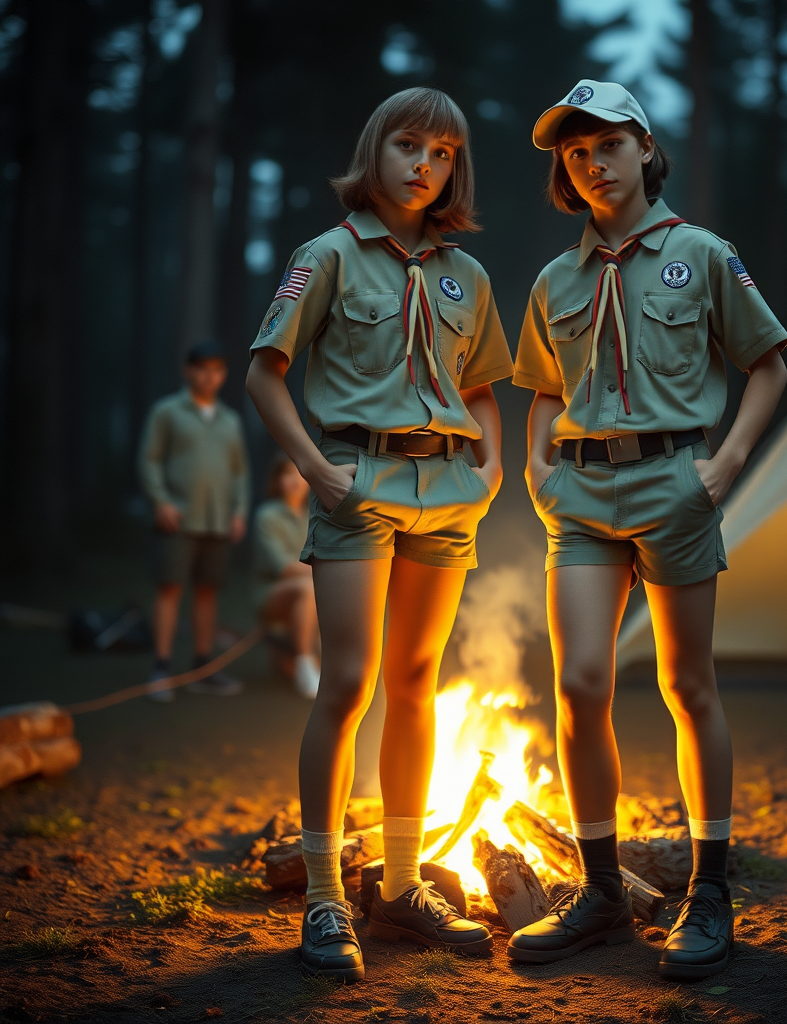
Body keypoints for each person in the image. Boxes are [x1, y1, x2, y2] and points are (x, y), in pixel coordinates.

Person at [508, 81, 787, 979]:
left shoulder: (701, 253)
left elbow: (769, 365)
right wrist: (537, 470)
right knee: (581, 683)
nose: (592, 163)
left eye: (607, 145)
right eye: (575, 152)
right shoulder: (556, 279)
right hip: (583, 496)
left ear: (643, 148)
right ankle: (599, 891)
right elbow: (544, 391)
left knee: (687, 684)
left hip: (678, 482)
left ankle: (710, 892)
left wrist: (725, 467)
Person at [246, 87, 514, 982]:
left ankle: (400, 887)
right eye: (408, 145)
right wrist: (318, 470)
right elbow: (265, 374)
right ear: (377, 150)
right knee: (350, 682)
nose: (423, 165)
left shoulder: (464, 275)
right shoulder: (324, 256)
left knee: (415, 683)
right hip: (356, 484)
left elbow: (482, 387)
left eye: (442, 153)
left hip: (448, 491)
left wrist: (492, 474)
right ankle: (327, 898)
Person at [139, 340, 250, 700]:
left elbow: (240, 472)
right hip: (179, 517)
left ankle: (203, 667)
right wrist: (160, 501)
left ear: (224, 374)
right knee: (170, 589)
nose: (209, 376)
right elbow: (149, 459)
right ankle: (161, 669)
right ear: (188, 371)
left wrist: (238, 512)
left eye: (217, 369)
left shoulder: (230, 420)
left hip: (217, 520)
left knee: (208, 593)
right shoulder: (168, 412)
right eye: (202, 368)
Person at [253, 454, 320, 699]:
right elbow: (282, 567)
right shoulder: (267, 516)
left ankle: (310, 659)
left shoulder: (315, 516)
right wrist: (323, 572)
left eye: (300, 474)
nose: (295, 480)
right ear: (277, 480)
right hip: (271, 593)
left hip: (312, 589)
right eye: (287, 474)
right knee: (308, 588)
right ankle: (304, 663)